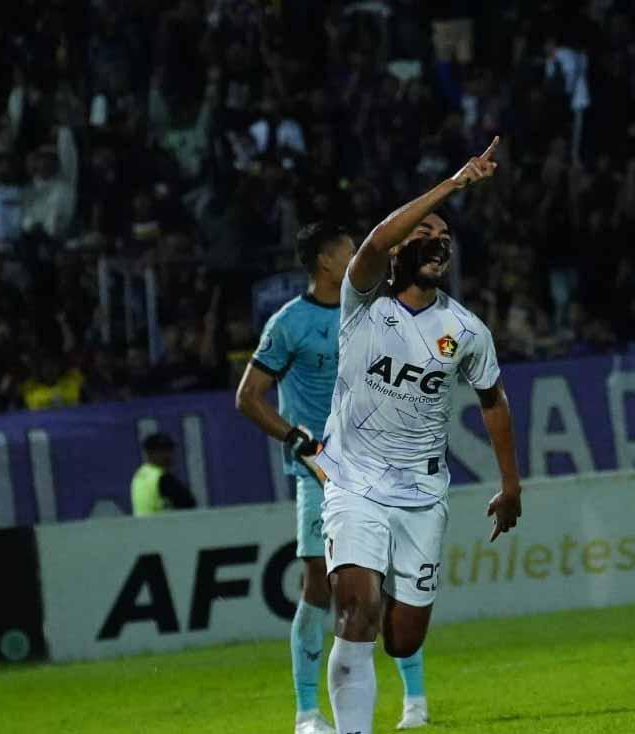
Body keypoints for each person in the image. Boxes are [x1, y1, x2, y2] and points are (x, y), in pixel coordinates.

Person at [314, 137, 523, 734]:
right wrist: (453, 185)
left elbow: (494, 402)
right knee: (356, 607)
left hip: (422, 496)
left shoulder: (466, 330)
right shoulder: (362, 301)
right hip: (352, 481)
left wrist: (510, 486)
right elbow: (379, 237)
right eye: (426, 235)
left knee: (402, 641)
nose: (440, 243)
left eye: (446, 240)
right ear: (403, 247)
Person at [236, 222, 432, 734]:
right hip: (319, 473)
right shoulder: (289, 323)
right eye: (350, 248)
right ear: (326, 260)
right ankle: (306, 713)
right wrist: (297, 440)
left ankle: (415, 699)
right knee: (318, 588)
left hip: (375, 466)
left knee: (388, 582)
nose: (361, 254)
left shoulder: (374, 308)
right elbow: (248, 396)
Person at [130, 433, 196, 516]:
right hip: (161, 526)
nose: (167, 455)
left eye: (169, 450)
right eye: (161, 451)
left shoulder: (139, 474)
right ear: (149, 453)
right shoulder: (163, 478)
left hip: (143, 527)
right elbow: (189, 504)